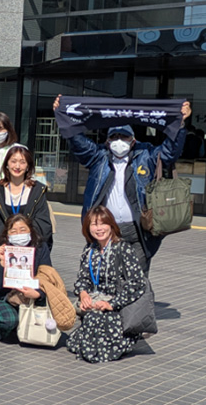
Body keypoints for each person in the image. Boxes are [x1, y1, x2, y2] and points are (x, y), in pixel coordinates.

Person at [53, 95, 191, 274]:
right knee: (107, 279)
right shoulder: (98, 157)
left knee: (136, 280)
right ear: (108, 141)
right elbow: (77, 141)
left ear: (133, 140)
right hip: (106, 231)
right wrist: (63, 114)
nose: (119, 141)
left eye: (124, 136)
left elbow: (170, 151)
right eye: (114, 137)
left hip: (138, 233)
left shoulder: (146, 155)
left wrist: (180, 124)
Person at [67, 206, 146, 363]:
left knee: (94, 323)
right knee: (77, 339)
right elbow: (83, 278)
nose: (99, 228)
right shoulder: (90, 249)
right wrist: (84, 295)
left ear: (111, 225)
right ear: (88, 228)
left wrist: (111, 304)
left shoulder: (123, 248)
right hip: (96, 300)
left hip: (118, 305)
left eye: (103, 223)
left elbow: (137, 283)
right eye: (94, 224)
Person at [0, 214, 52, 341]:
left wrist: (38, 293)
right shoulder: (0, 250)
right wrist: (1, 263)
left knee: (47, 318)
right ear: (7, 235)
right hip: (3, 297)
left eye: (23, 230)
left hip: (31, 297)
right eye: (13, 231)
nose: (19, 234)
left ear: (30, 231)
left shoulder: (41, 249)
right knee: (9, 320)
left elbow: (47, 276)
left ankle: (20, 326)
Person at [0, 145, 54, 250]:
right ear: (7, 164)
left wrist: (24, 235)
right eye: (13, 161)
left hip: (32, 248)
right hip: (3, 249)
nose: (17, 166)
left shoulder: (37, 191)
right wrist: (8, 240)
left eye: (22, 162)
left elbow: (43, 224)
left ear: (28, 166)